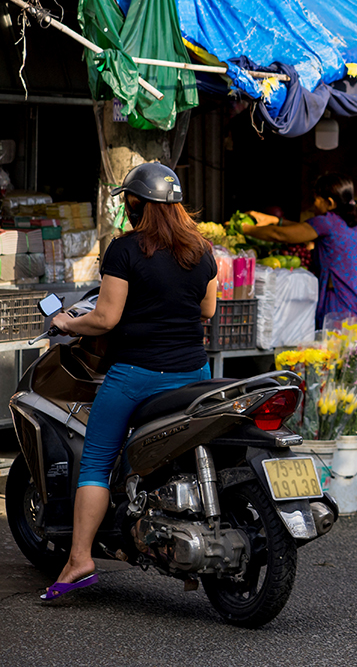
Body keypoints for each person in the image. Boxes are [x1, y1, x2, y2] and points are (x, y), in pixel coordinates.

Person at [43, 163, 218, 601]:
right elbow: (208, 312)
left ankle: (79, 559)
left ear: (136, 203)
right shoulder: (203, 250)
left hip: (138, 376)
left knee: (97, 463)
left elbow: (105, 319)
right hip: (195, 374)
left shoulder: (124, 250)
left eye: (127, 200)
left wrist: (68, 321)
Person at [243, 173, 357, 329]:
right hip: (352, 301)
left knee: (332, 349)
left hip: (336, 303)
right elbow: (306, 229)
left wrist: (246, 229)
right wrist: (276, 220)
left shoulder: (327, 221)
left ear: (330, 203)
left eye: (316, 199)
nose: (313, 205)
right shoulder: (351, 224)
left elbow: (280, 235)